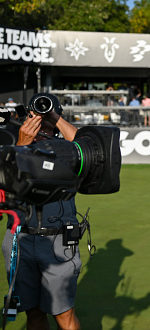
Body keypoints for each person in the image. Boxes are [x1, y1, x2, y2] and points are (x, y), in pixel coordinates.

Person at [1, 108, 81, 329]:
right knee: (32, 312)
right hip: (20, 239)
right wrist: (22, 143)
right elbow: (5, 179)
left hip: (58, 241)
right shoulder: (13, 143)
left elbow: (87, 147)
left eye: (45, 118)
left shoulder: (67, 150)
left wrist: (55, 118)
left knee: (64, 315)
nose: (39, 122)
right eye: (34, 116)